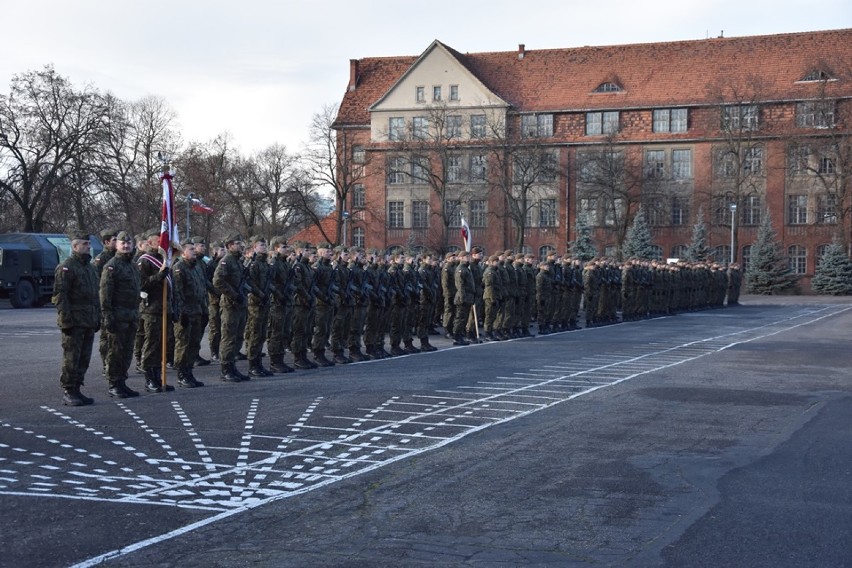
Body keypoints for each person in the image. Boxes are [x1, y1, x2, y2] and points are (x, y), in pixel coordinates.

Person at [53, 230, 100, 406]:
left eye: (88, 244)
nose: (88, 247)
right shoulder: (66, 267)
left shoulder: (90, 267)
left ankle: (77, 389)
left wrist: (98, 317)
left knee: (84, 358)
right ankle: (68, 390)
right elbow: (60, 295)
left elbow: (96, 295)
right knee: (71, 357)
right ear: (75, 246)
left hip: (88, 320)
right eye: (84, 244)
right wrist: (65, 320)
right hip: (74, 321)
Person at [99, 231, 141, 398]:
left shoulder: (132, 265)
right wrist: (107, 315)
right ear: (116, 245)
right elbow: (105, 293)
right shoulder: (112, 266)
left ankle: (122, 381)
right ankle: (113, 383)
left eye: (128, 243)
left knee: (127, 351)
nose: (126, 245)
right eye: (122, 243)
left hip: (131, 315)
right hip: (118, 316)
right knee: (115, 351)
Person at [137, 230, 176, 393]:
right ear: (150, 243)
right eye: (159, 241)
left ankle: (159, 376)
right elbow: (141, 285)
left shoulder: (165, 259)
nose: (162, 244)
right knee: (152, 344)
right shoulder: (144, 261)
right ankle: (149, 378)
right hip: (151, 309)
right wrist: (158, 276)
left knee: (162, 345)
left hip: (165, 308)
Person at [213, 233, 251, 382]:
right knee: (228, 337)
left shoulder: (238, 261)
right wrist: (234, 295)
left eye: (241, 242)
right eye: (237, 243)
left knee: (238, 336)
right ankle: (226, 369)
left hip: (240, 304)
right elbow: (217, 281)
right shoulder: (226, 261)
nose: (241, 245)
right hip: (230, 304)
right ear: (229, 246)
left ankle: (232, 366)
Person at [171, 239, 207, 388]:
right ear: (183, 252)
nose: (194, 251)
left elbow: (201, 288)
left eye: (194, 248)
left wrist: (204, 308)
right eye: (191, 249)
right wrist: (181, 313)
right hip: (185, 313)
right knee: (183, 344)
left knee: (194, 344)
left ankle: (189, 371)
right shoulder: (179, 268)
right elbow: (177, 293)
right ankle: (182, 373)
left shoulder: (196, 267)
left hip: (197, 310)